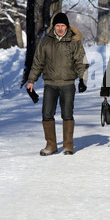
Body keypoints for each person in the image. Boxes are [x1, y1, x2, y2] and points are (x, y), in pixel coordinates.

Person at [27, 12, 89, 156]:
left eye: (63, 25)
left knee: (67, 114)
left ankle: (68, 146)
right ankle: (51, 145)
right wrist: (31, 81)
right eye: (57, 25)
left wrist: (82, 79)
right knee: (47, 114)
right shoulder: (45, 41)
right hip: (50, 84)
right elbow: (38, 62)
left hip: (68, 84)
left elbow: (81, 61)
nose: (60, 28)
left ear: (67, 27)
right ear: (54, 26)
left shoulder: (74, 41)